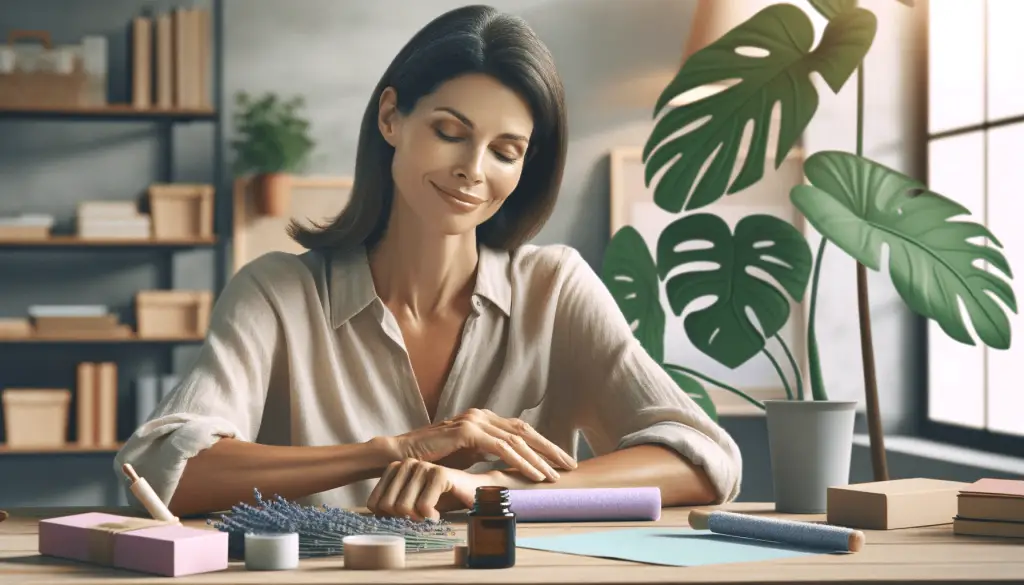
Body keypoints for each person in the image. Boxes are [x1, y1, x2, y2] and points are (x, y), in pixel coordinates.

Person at [114, 4, 743, 521]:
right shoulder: (277, 293)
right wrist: (390, 452)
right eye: (450, 132)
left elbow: (701, 459)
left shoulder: (555, 288)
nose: (474, 168)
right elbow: (165, 469)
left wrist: (492, 494)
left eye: (506, 150)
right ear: (392, 117)